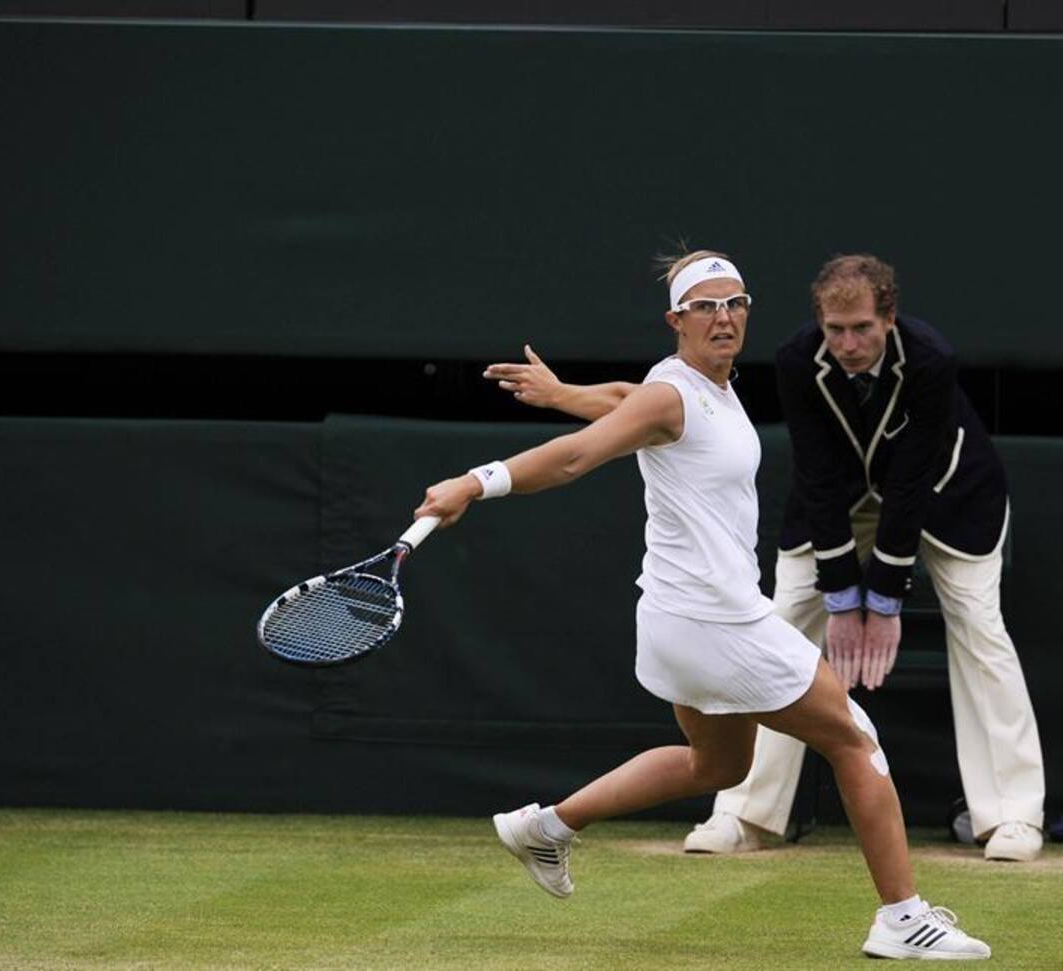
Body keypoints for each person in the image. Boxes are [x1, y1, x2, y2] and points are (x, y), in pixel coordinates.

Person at [418, 250, 990, 960]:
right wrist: (475, 481)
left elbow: (628, 398)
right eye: (705, 306)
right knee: (854, 737)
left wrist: (565, 390)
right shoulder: (674, 394)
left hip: (675, 621)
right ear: (676, 320)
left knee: (715, 766)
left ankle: (548, 826)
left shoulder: (697, 387)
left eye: (735, 303)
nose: (723, 317)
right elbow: (574, 457)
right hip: (716, 620)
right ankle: (902, 916)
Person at [487, 254, 1045, 865]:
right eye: (835, 330)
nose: (849, 344)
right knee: (788, 630)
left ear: (890, 319)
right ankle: (745, 813)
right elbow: (811, 472)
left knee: (979, 627)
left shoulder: (930, 358)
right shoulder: (787, 362)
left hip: (947, 500)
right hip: (822, 509)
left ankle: (1011, 815)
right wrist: (840, 593)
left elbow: (910, 483)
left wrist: (881, 599)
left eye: (862, 328)